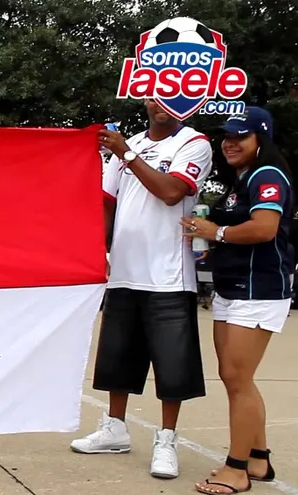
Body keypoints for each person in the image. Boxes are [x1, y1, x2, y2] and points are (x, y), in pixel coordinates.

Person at [69, 98, 213, 480]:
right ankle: (115, 427)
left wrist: (127, 154)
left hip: (168, 273)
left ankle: (166, 439)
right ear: (146, 100)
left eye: (171, 94)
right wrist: (96, 249)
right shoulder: (127, 143)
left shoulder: (193, 143)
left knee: (172, 362)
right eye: (154, 95)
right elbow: (106, 202)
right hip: (125, 268)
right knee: (117, 355)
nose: (161, 103)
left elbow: (171, 192)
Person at [181, 107, 293, 495]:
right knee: (236, 379)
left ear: (260, 139)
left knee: (237, 379)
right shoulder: (241, 179)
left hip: (258, 289)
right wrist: (210, 235)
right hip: (233, 288)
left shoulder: (267, 175)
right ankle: (258, 459)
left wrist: (218, 232)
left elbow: (265, 228)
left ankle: (237, 469)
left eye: (239, 136)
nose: (229, 143)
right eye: (226, 136)